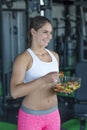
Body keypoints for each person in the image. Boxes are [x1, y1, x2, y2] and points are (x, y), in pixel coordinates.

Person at [10, 15, 61, 130]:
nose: (49, 37)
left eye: (51, 33)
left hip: (53, 114)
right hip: (31, 116)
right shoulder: (24, 58)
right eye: (45, 32)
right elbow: (14, 93)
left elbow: (53, 84)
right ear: (33, 32)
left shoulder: (55, 56)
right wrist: (43, 80)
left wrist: (63, 87)